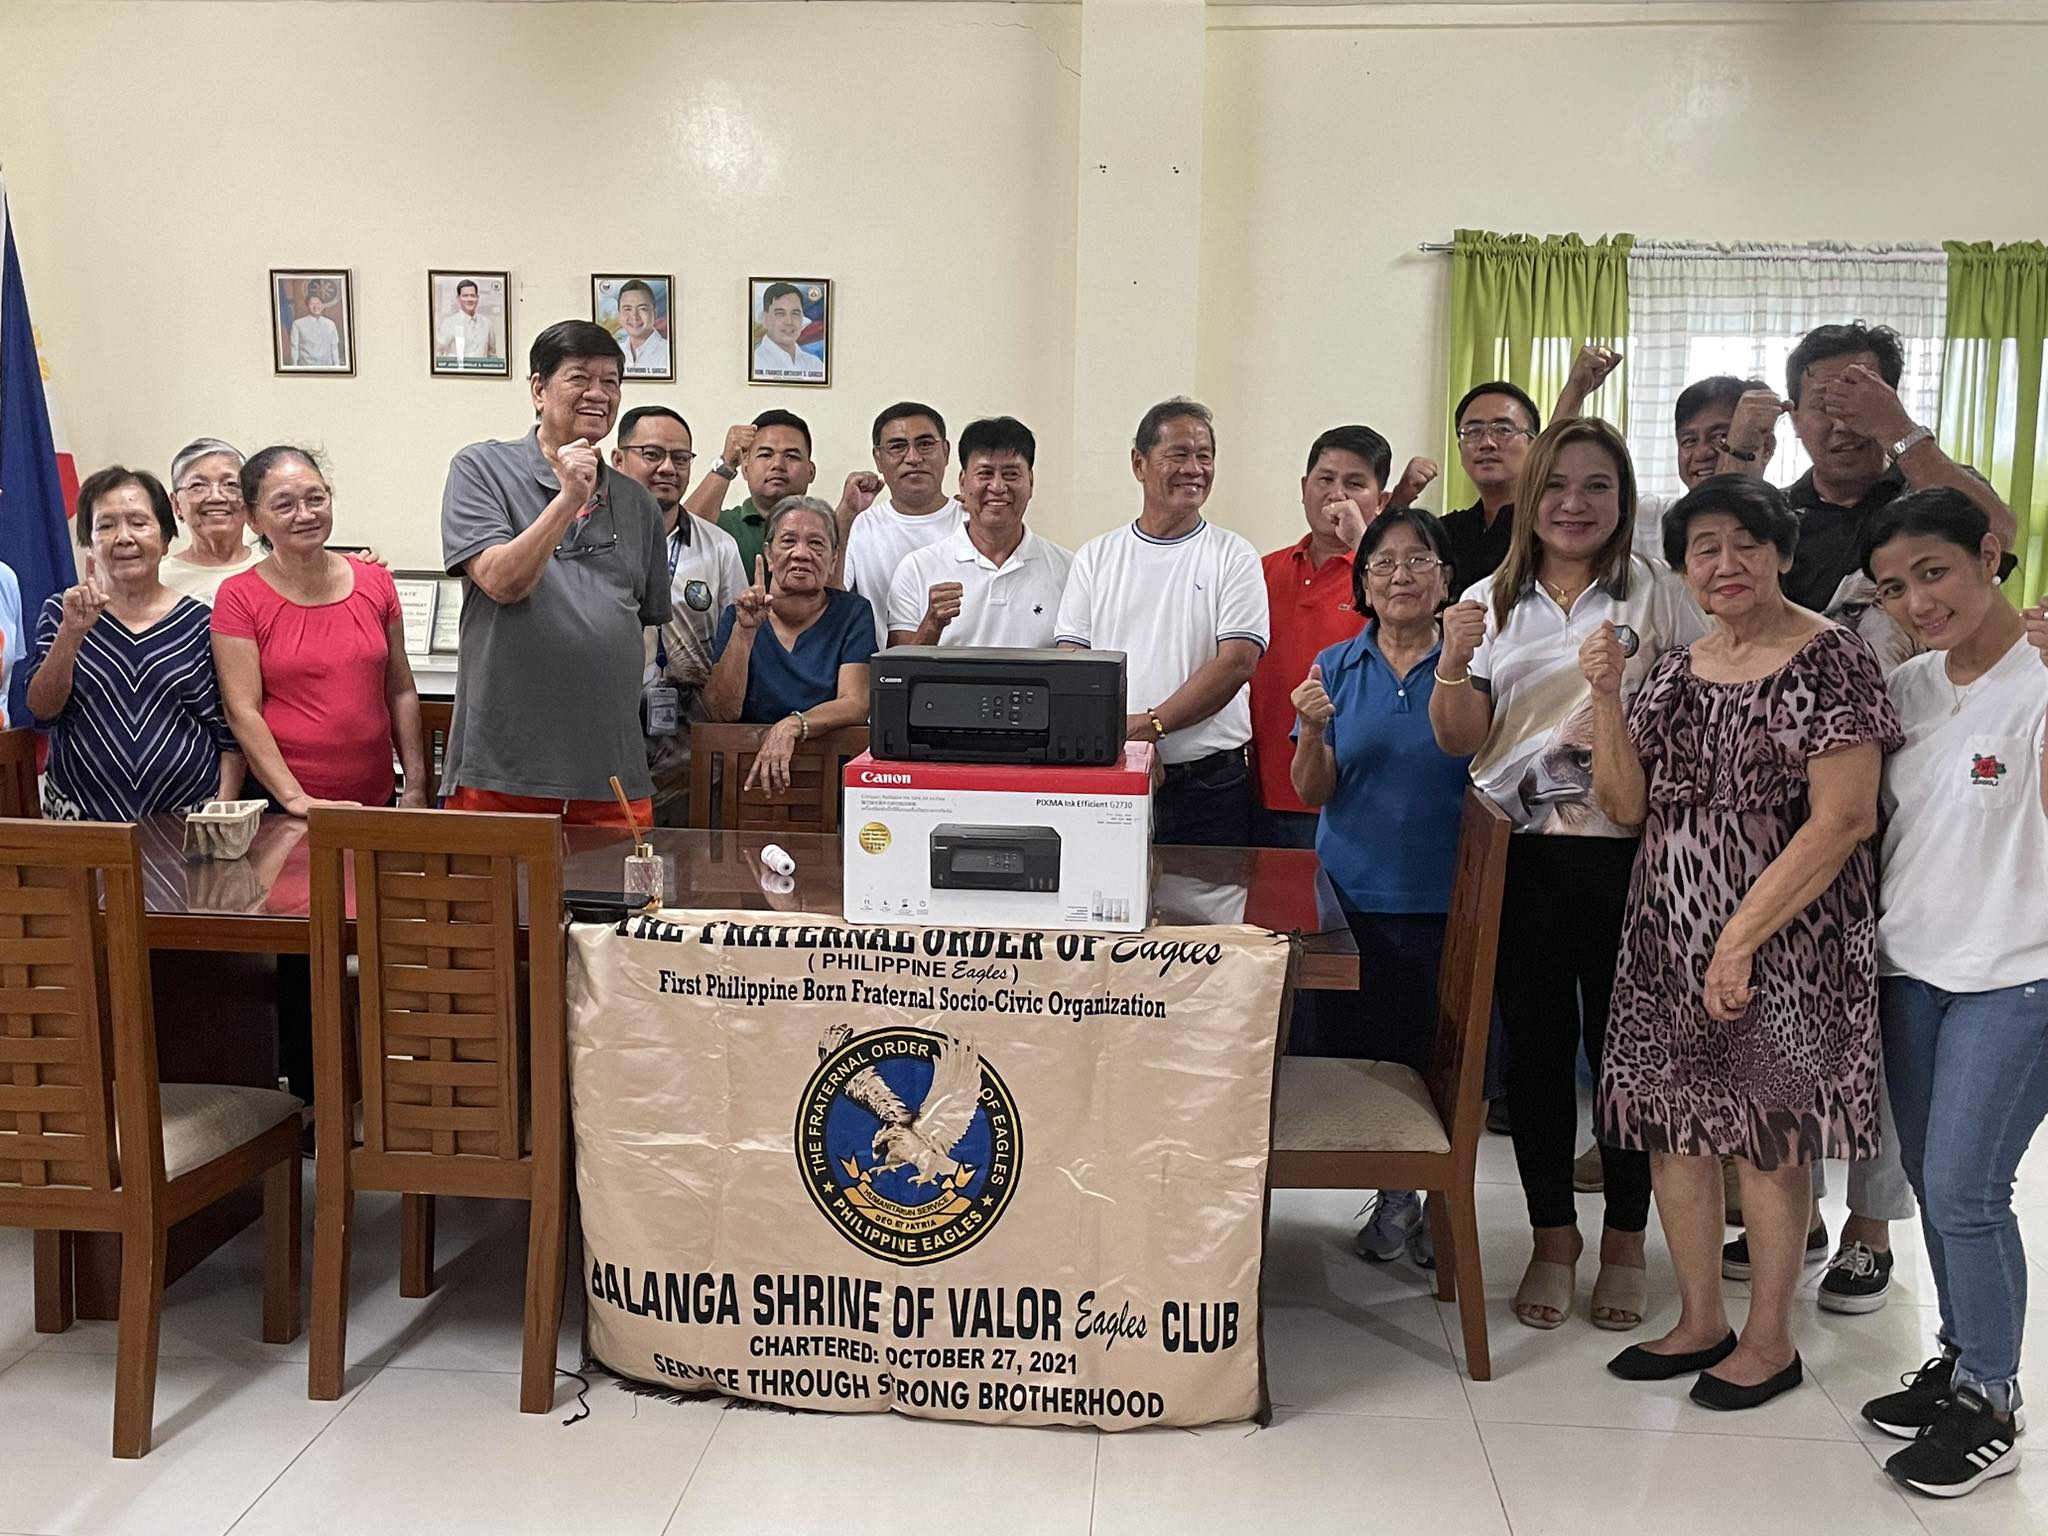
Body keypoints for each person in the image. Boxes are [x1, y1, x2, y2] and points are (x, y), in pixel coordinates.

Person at [1588, 475, 1897, 1412]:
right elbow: (1625, 805)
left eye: (1745, 544)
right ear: (1682, 572)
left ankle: (1769, 1340)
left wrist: (1738, 942)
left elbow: (1843, 819)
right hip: (1663, 935)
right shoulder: (1679, 670)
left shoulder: (1832, 659)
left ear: (1783, 554)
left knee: (1769, 1139)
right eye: (1703, 551)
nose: (1725, 565)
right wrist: (1606, 695)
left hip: (1787, 940)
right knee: (1675, 1131)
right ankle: (1698, 1321)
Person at [1431, 416, 1708, 1333]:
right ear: (1532, 497)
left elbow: (1707, 709)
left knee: (1628, 1060)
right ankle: (1556, 1238)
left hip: (1637, 855)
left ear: (1623, 499)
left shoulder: (1659, 595)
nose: (1574, 505)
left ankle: (1627, 1239)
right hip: (1523, 857)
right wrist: (1454, 660)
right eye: (1557, 486)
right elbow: (1466, 742)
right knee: (1541, 1058)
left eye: (1597, 486)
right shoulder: (1489, 598)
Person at [1858, 489, 2048, 1497]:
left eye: (1932, 573)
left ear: (1987, 557)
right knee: (1935, 1183)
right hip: (1911, 970)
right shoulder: (1911, 688)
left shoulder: (2041, 683)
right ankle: (1959, 1355)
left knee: (1969, 1191)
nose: (1915, 600)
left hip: (2017, 977)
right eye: (1893, 586)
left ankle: (1992, 1400)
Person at [1289, 507, 1473, 1264]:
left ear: (1445, 578)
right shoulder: (1333, 666)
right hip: (1352, 898)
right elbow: (1312, 791)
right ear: (1363, 582)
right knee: (1370, 1059)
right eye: (1383, 563)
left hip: (1451, 900)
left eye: (1418, 560)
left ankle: (1439, 1200)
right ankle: (1394, 1195)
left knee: (1446, 1059)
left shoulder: (1469, 666)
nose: (1401, 576)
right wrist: (1307, 731)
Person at [438, 319, 670, 825]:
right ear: (538, 389)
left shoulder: (638, 503)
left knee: (621, 905)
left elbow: (645, 625)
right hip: (503, 770)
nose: (598, 393)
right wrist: (569, 498)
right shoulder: (481, 469)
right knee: (497, 905)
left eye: (611, 381)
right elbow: (501, 582)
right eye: (580, 378)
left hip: (611, 772)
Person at [1056, 398, 1269, 845]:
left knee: (1210, 914)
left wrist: (1152, 726)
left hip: (1211, 787)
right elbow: (1072, 664)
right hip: (1115, 777)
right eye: (1179, 455)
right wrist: (1125, 744)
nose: (1194, 469)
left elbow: (1236, 663)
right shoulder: (1096, 556)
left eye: (1204, 456)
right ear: (1139, 462)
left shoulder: (1234, 555)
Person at [211, 446, 426, 816]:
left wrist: (416, 786)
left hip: (378, 799)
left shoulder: (376, 582)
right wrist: (296, 799)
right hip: (284, 806)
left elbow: (401, 689)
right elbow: (242, 711)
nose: (305, 515)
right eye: (284, 505)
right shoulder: (239, 596)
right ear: (253, 519)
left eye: (316, 498)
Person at [27, 465, 243, 818]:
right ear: (90, 544)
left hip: (190, 816)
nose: (123, 537)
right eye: (106, 525)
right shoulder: (61, 611)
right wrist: (72, 633)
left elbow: (230, 733)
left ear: (165, 539)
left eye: (138, 523)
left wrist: (222, 809)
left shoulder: (201, 621)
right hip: (81, 818)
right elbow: (42, 709)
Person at [1248, 426, 1388, 847]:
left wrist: (1363, 545)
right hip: (1253, 794)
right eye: (1325, 479)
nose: (1336, 495)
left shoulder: (1387, 583)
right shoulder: (1259, 572)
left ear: (1380, 502)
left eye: (1355, 483)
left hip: (1347, 798)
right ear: (1303, 487)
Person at [610, 406, 747, 824]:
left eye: (681, 458)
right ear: (618, 460)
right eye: (651, 454)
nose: (668, 468)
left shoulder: (719, 548)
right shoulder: (589, 539)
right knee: (601, 859)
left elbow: (738, 639)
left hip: (690, 740)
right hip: (608, 727)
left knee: (688, 863)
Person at [705, 497, 873, 794]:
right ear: (768, 554)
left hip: (829, 781)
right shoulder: (739, 616)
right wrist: (745, 634)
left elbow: (855, 703)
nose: (801, 554)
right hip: (748, 781)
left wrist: (792, 725)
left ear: (834, 558)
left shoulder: (853, 613)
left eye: (816, 544)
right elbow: (723, 711)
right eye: (788, 541)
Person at [886, 416, 1071, 649]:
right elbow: (898, 673)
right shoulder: (917, 568)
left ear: (1031, 482)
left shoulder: (1068, 570)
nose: (997, 487)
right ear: (963, 483)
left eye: (1011, 474)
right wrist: (932, 625)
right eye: (984, 473)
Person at [841, 403, 960, 648]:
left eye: (925, 444)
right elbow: (829, 602)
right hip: (884, 674)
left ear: (946, 451)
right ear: (878, 458)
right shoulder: (861, 525)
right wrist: (846, 514)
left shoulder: (973, 523)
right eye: (898, 447)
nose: (914, 458)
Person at [714, 409, 882, 576]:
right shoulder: (721, 525)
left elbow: (832, 594)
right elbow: (687, 537)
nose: (777, 464)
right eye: (766, 454)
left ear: (811, 472)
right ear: (745, 468)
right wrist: (726, 464)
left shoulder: (834, 528)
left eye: (791, 456)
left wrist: (847, 513)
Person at [1439, 382, 1540, 588]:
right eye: (1473, 431)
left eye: (1503, 430)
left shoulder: (1550, 524)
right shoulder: (1447, 531)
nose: (1486, 443)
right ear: (1460, 448)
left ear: (1535, 445)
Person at [162, 437, 259, 603]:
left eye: (230, 484)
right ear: (176, 504)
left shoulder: (274, 571)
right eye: (197, 485)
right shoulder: (159, 580)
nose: (216, 497)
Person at [753, 282, 824, 380]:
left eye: (795, 313)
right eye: (780, 314)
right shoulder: (755, 363)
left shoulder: (815, 363)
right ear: (764, 319)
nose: (789, 321)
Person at [435, 278, 500, 369]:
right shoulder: (449, 323)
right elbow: (438, 353)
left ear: (477, 298)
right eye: (465, 296)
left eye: (472, 295)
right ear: (458, 299)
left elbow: (492, 356)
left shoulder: (487, 324)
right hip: (457, 377)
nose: (469, 299)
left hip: (482, 378)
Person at [613, 279, 669, 376]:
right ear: (619, 315)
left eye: (642, 308)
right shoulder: (613, 353)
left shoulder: (667, 352)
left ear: (655, 313)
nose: (634, 316)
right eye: (628, 309)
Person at [289, 286, 343, 368]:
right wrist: (294, 367)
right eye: (312, 304)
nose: (315, 306)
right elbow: (294, 347)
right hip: (306, 366)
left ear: (323, 305)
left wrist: (337, 365)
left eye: (318, 303)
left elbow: (334, 346)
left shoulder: (330, 324)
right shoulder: (297, 324)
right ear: (307, 306)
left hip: (327, 367)